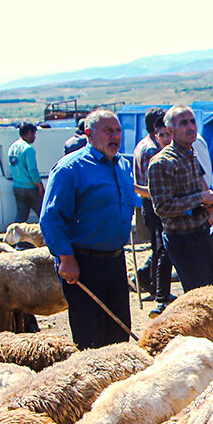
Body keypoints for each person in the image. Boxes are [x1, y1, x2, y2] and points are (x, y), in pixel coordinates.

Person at [40, 109, 139, 349]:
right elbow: (50, 218)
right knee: (91, 337)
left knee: (119, 332)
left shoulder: (122, 165)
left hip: (115, 260)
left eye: (118, 130)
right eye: (108, 131)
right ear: (89, 134)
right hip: (84, 263)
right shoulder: (70, 169)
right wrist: (66, 258)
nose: (115, 136)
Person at [147, 106, 213, 297]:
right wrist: (201, 198)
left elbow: (201, 184)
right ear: (170, 130)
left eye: (192, 122)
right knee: (197, 296)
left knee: (208, 291)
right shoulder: (161, 162)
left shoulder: (190, 154)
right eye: (183, 123)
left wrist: (210, 204)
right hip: (181, 238)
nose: (190, 127)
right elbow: (163, 207)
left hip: (200, 232)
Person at [132, 107, 173, 313]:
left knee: (157, 248)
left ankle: (150, 283)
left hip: (149, 202)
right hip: (154, 202)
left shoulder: (143, 144)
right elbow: (154, 185)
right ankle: (160, 292)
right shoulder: (152, 150)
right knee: (161, 249)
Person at [8, 122, 43, 223]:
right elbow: (32, 170)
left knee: (21, 216)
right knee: (43, 214)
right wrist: (40, 186)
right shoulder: (28, 149)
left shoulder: (12, 147)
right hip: (30, 188)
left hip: (17, 186)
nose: (34, 137)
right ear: (29, 133)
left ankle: (16, 237)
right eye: (34, 134)